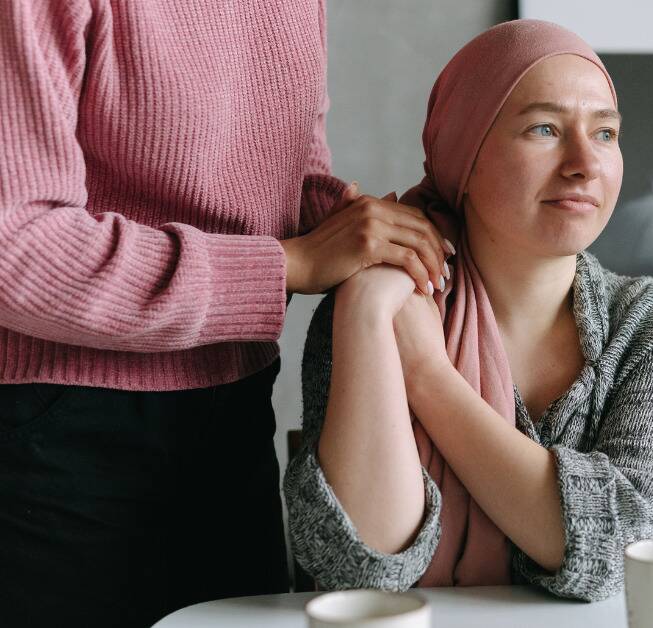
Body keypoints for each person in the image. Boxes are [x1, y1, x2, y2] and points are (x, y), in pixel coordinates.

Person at [0, 2, 450, 626]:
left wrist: (358, 222)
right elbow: (16, 244)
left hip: (235, 412)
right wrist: (287, 264)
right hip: (62, 431)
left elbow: (276, 181)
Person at [284, 19, 653, 601]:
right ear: (465, 153)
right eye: (544, 129)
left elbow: (622, 550)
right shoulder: (377, 303)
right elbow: (359, 573)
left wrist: (429, 376)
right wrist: (363, 305)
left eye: (606, 133)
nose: (584, 163)